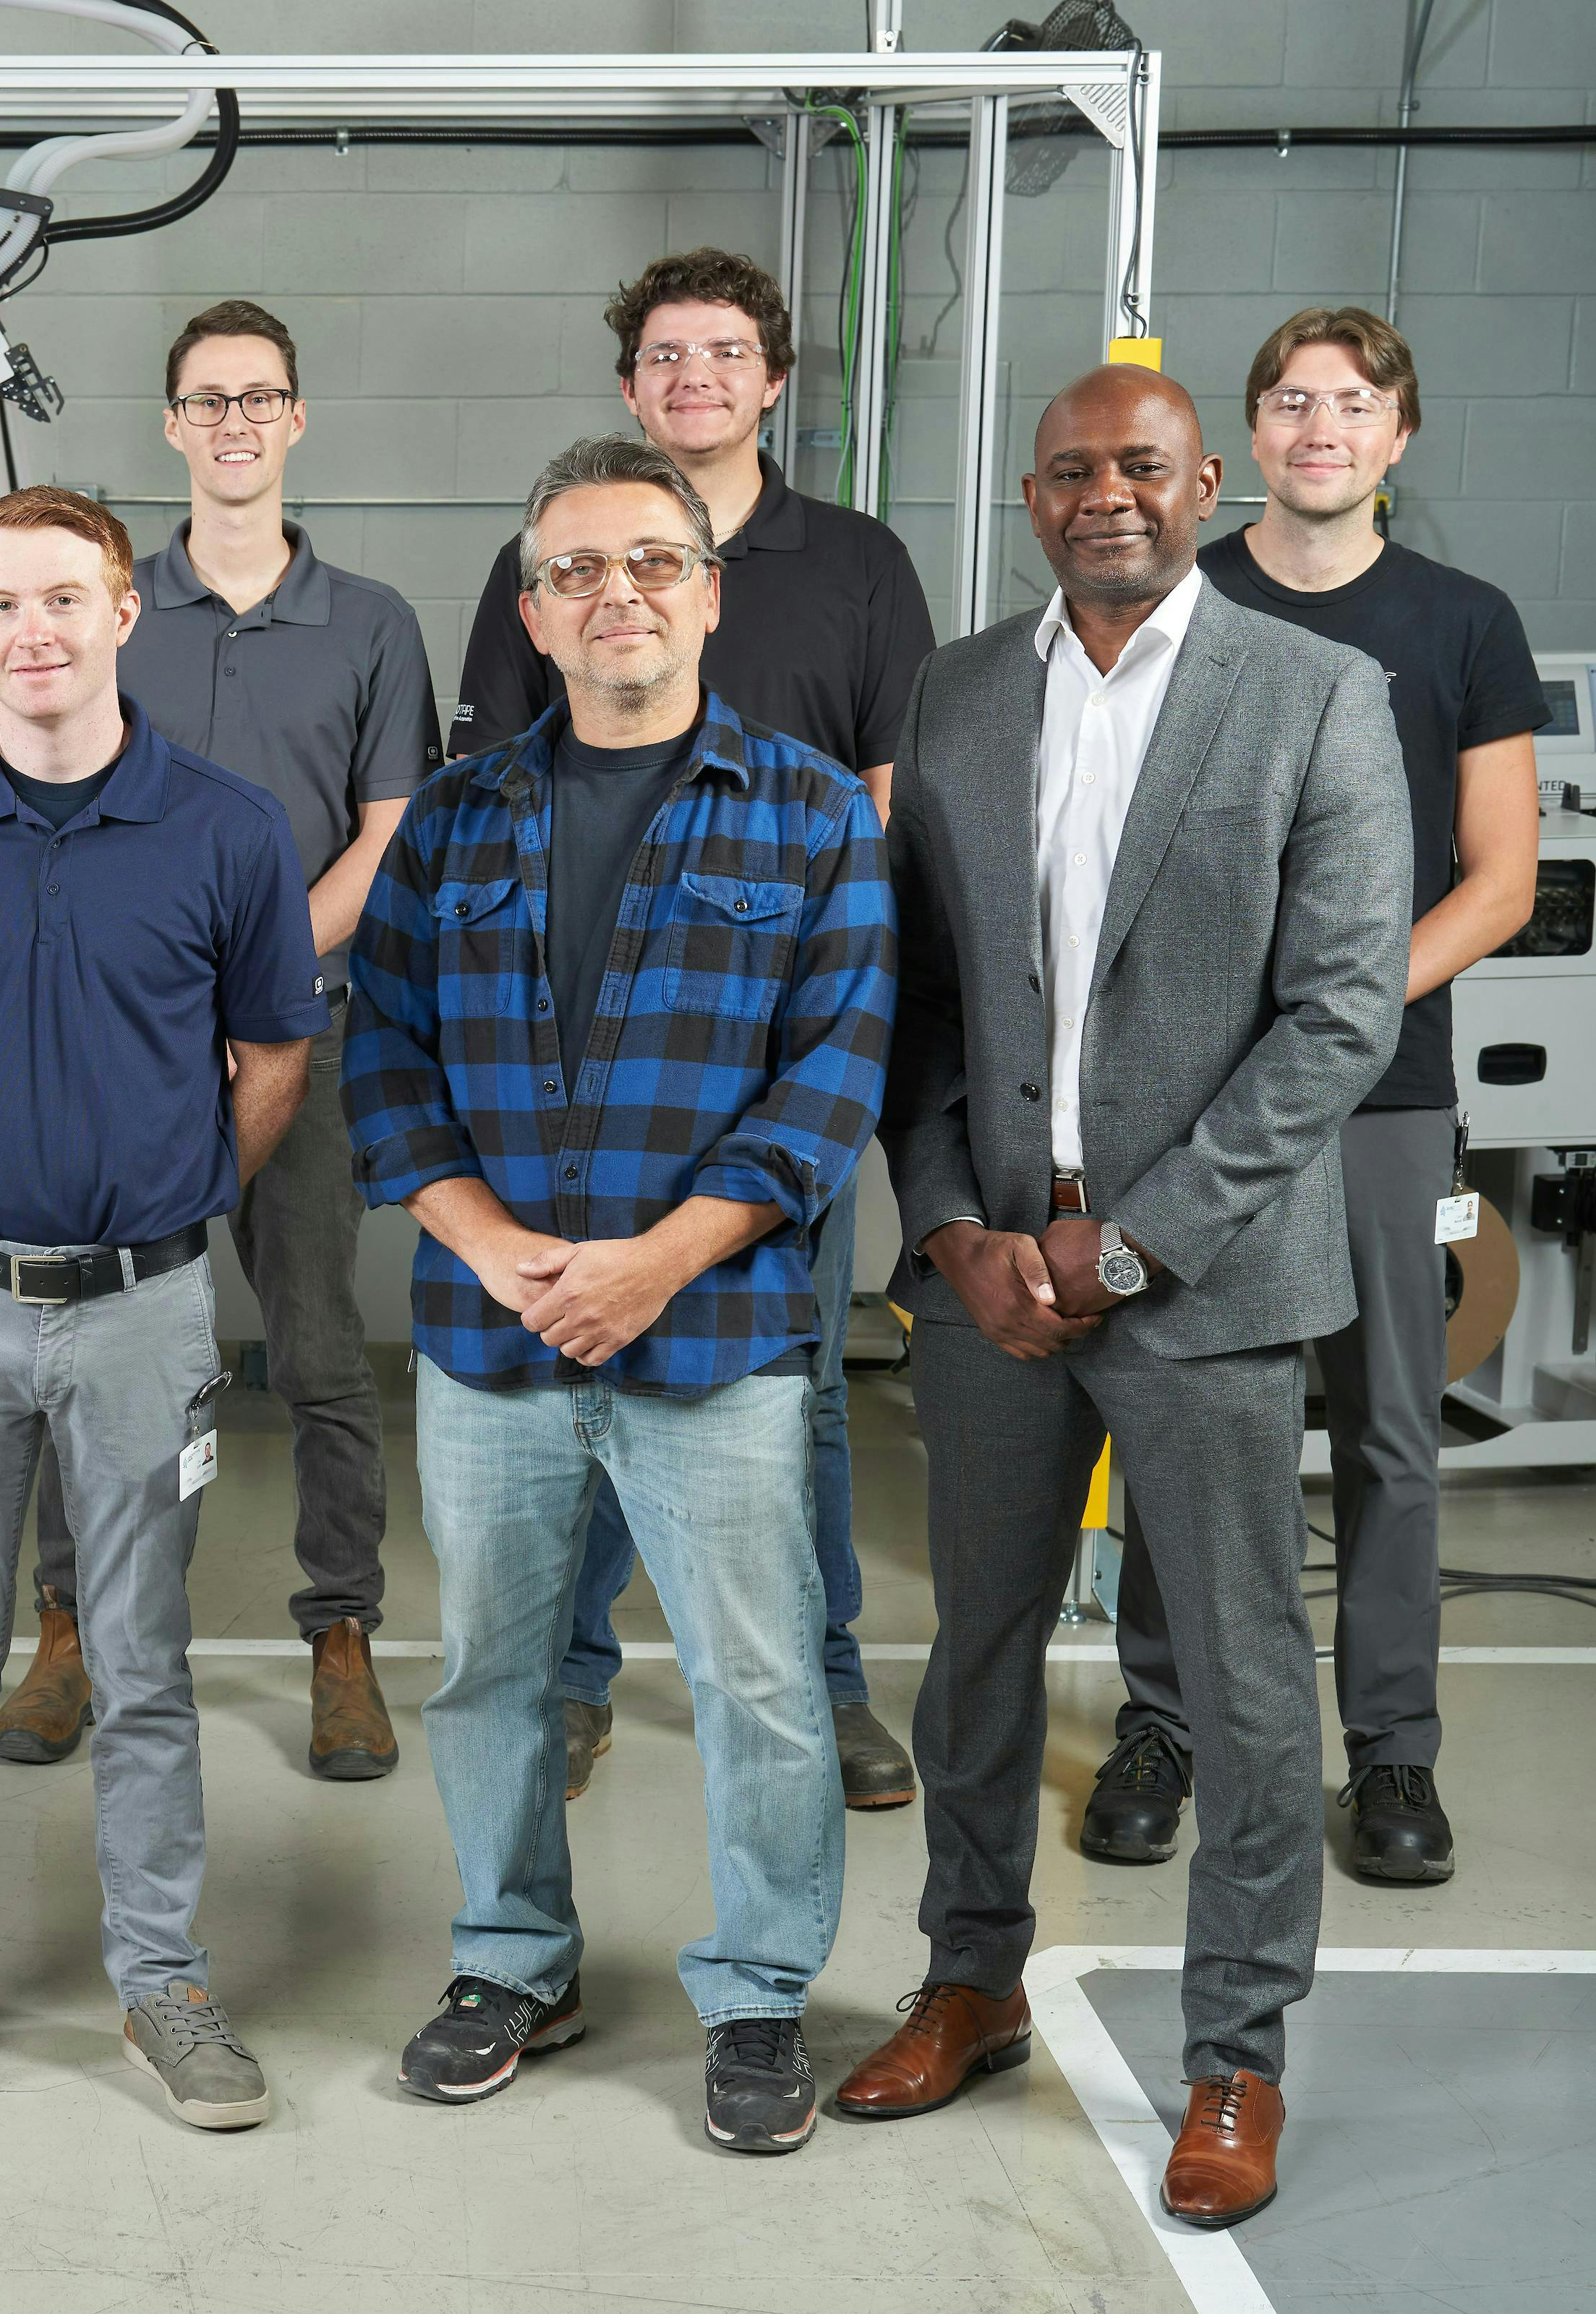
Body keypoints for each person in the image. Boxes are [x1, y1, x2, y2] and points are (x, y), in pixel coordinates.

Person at [833, 367, 1407, 2232]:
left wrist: (1135, 1240)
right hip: (995, 1282)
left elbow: (1341, 1014)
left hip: (1206, 1284)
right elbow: (920, 997)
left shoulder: (1315, 692)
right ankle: (971, 1976)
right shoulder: (960, 693)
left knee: (1242, 1683)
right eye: (1072, 470)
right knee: (977, 1655)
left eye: (1141, 467)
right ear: (1031, 496)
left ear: (1204, 481)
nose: (1108, 495)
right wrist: (948, 1226)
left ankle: (1236, 2051)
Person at [351, 435, 892, 2156]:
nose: (618, 595)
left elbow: (833, 1078)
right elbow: (385, 1055)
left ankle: (759, 1989)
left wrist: (660, 1260)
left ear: (709, 593)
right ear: (531, 612)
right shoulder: (455, 817)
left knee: (760, 1684)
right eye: (575, 570)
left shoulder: (814, 812)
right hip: (491, 1334)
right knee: (491, 1675)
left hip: (716, 1336)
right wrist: (487, 1243)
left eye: (654, 561)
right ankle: (513, 1959)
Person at [0, 485, 323, 2134]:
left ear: (121, 614)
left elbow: (276, 1052)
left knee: (144, 1666)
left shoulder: (229, 829)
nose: (32, 632)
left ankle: (162, 1981)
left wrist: (169, 1200)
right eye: (0, 605)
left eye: (61, 599)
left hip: (146, 1314)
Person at [452, 249, 935, 1812]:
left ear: (772, 380)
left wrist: (806, 951)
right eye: (665, 354)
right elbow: (494, 790)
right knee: (569, 1354)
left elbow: (889, 794)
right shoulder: (544, 552)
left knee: (795, 1380)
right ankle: (571, 1681)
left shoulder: (857, 563)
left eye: (725, 351)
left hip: (770, 1035)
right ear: (629, 383)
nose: (695, 376)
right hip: (574, 1055)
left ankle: (828, 1677)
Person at [1083, 307, 1544, 1886]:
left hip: (1382, 1088)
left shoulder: (1466, 622)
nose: (1320, 426)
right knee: (1187, 1412)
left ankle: (1394, 1751)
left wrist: (1331, 1018)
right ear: (1245, 442)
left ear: (1397, 435)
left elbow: (1499, 881)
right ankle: (1165, 1723)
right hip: (1189, 1092)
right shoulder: (1181, 600)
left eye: (1352, 403)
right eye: (1291, 401)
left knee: (1390, 1432)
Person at [0, 298, 440, 1785]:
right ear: (172, 424)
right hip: (123, 1052)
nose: (234, 422)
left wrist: (260, 978)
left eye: (259, 398)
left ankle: (342, 1633)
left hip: (305, 1041)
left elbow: (391, 831)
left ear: (295, 419)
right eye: (207, 400)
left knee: (318, 1348)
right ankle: (71, 1625)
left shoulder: (370, 621)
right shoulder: (114, 606)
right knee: (94, 1350)